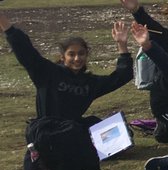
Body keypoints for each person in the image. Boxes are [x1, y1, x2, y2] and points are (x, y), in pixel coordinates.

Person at [0, 10, 132, 121]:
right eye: (71, 54)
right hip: (47, 132)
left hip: (72, 130)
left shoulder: (90, 83)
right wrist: (4, 22)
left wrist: (122, 45)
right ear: (63, 57)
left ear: (86, 55)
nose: (77, 58)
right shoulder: (47, 73)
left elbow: (121, 76)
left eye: (81, 54)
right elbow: (24, 49)